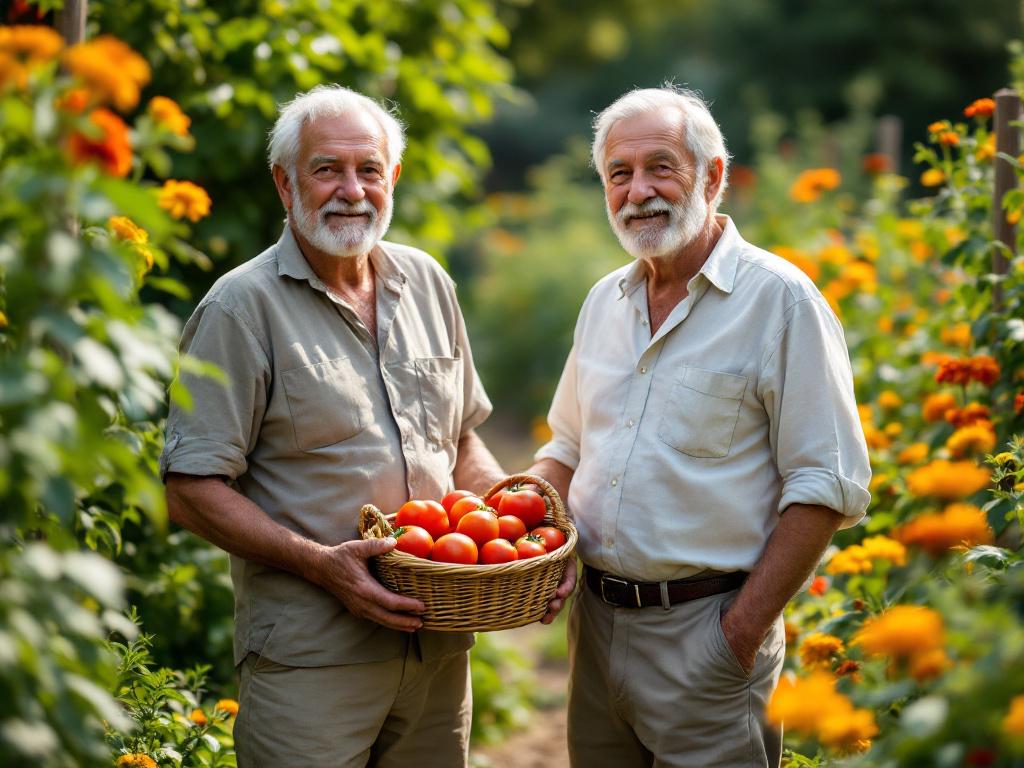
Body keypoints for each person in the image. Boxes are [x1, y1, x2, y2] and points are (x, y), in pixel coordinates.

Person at [160, 85, 510, 767]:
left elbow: (461, 438)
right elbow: (190, 488)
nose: (352, 190)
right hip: (312, 661)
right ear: (285, 184)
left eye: (369, 169)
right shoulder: (239, 308)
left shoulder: (428, 282)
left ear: (393, 178)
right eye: (327, 169)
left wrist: (512, 526)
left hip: (439, 650)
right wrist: (323, 567)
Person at [528, 86, 871, 768]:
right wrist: (518, 530)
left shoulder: (779, 301)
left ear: (713, 175)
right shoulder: (605, 301)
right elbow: (565, 447)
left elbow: (827, 486)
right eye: (619, 174)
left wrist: (738, 634)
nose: (639, 191)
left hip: (707, 633)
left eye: (662, 166)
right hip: (594, 629)